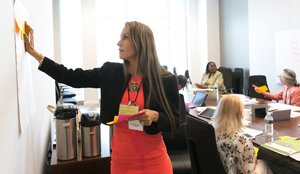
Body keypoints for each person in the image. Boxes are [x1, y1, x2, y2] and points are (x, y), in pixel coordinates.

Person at [24, 21, 180, 174]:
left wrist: (157, 116)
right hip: (121, 163)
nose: (118, 43)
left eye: (125, 37)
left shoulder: (165, 80)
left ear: (141, 43)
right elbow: (72, 76)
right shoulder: (111, 73)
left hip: (155, 162)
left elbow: (174, 121)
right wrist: (36, 55)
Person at [213, 95, 273, 174]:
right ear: (239, 115)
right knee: (263, 163)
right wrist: (253, 163)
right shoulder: (242, 141)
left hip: (218, 168)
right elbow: (246, 172)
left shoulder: (211, 131)